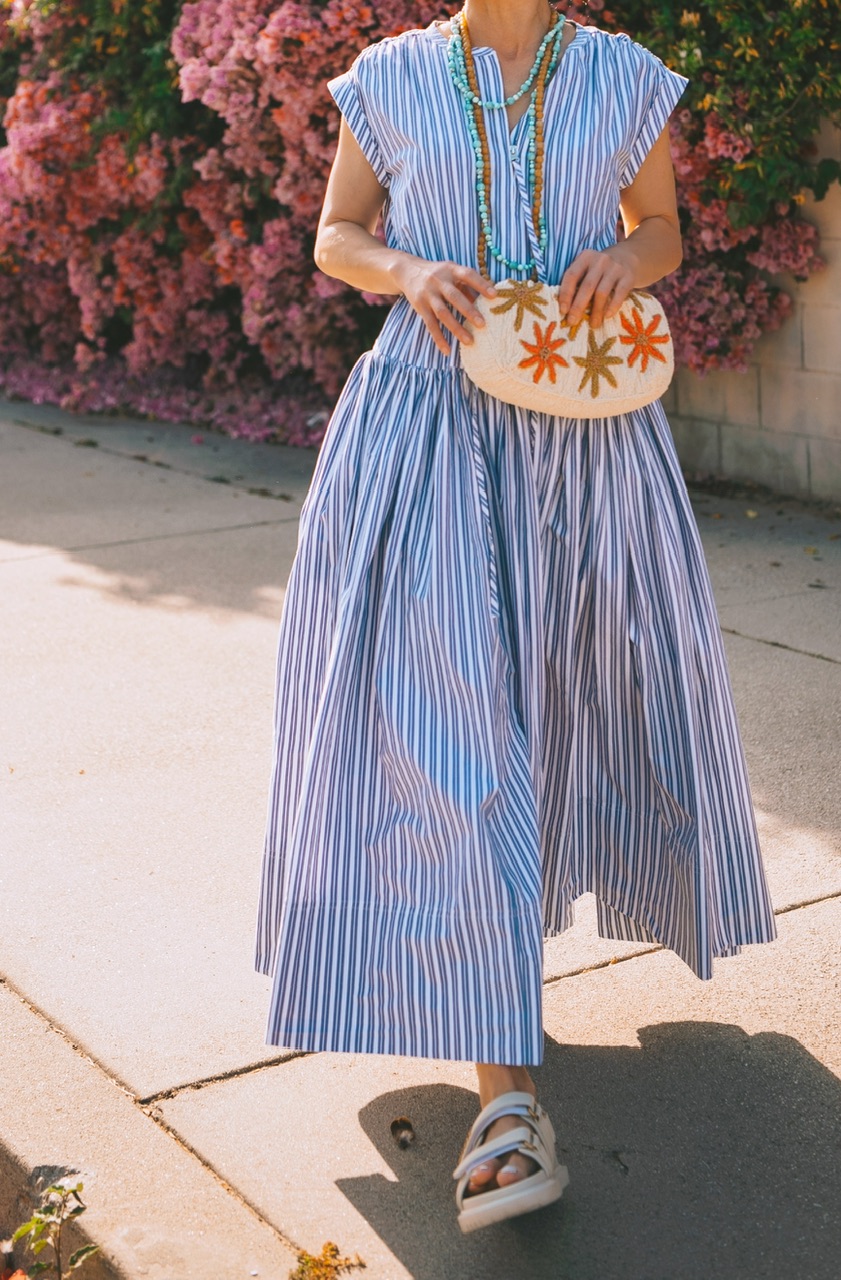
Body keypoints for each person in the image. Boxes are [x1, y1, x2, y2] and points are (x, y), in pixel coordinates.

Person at [254, 0, 778, 1233]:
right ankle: (506, 1095)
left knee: (556, 712)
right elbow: (337, 233)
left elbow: (660, 231)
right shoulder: (386, 76)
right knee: (454, 736)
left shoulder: (621, 74)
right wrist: (405, 268)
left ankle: (494, 994)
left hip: (588, 443)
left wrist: (623, 261)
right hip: (424, 436)